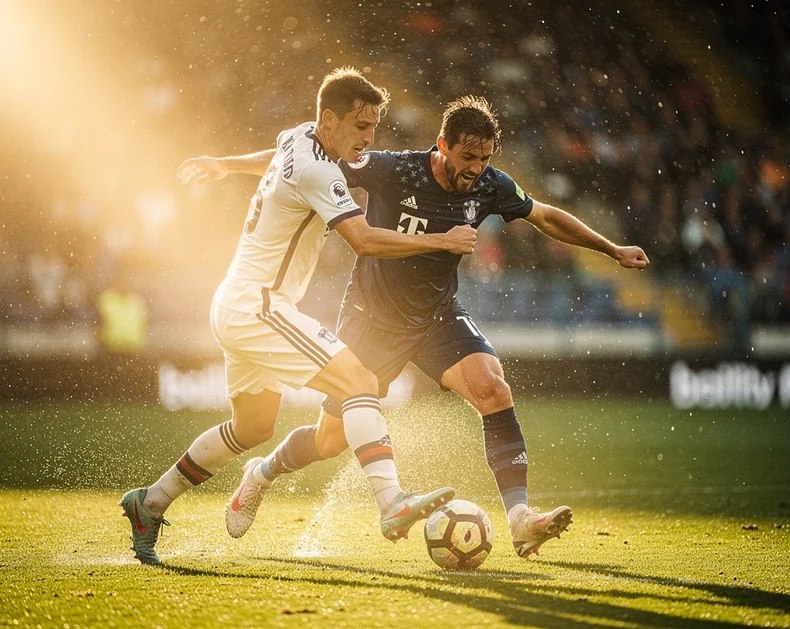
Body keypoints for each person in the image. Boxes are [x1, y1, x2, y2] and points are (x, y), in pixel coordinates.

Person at [225, 95, 650, 559]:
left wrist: (612, 250)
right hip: (372, 318)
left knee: (493, 387)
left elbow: (545, 215)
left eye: (485, 158)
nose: (476, 168)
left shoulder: (490, 185)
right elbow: (298, 163)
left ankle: (521, 520)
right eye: (468, 157)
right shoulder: (392, 169)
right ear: (442, 144)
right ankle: (262, 473)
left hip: (436, 316)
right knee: (330, 441)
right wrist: (228, 167)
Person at [119, 68, 479, 564]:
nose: (369, 139)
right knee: (359, 379)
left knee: (252, 427)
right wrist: (441, 240)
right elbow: (364, 240)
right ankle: (391, 501)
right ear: (328, 121)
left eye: (373, 127)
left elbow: (274, 159)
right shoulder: (321, 171)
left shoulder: (298, 137)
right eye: (360, 126)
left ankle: (151, 501)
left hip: (234, 300)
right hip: (260, 305)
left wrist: (225, 165)